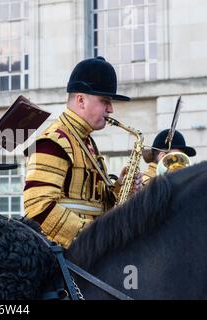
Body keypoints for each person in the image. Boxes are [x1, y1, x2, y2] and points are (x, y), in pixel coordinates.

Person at [23, 56, 141, 249]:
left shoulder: (85, 140)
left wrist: (120, 189)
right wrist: (94, 237)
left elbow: (90, 201)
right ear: (81, 100)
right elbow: (38, 206)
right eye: (105, 101)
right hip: (63, 255)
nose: (111, 109)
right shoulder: (53, 141)